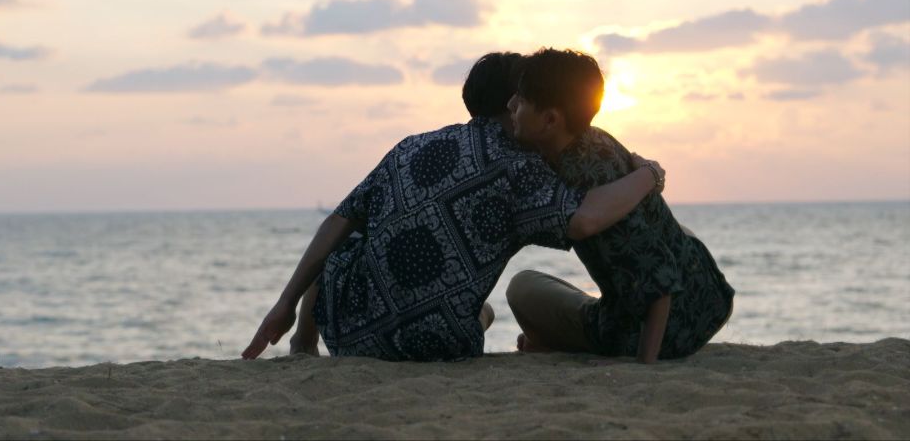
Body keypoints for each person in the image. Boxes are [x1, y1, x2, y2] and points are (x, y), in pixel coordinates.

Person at [242, 53, 667, 362]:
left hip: (351, 338)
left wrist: (285, 304)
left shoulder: (410, 147)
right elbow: (584, 219)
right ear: (514, 103)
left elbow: (338, 219)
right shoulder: (521, 170)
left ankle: (303, 343)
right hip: (438, 347)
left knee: (350, 229)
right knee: (484, 311)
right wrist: (649, 173)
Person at [505, 48, 735, 363]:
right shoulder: (593, 138)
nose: (510, 105)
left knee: (523, 288)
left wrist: (646, 364)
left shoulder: (586, 186)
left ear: (550, 120)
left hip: (662, 331)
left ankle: (566, 340)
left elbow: (658, 280)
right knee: (669, 229)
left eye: (520, 101)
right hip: (709, 297)